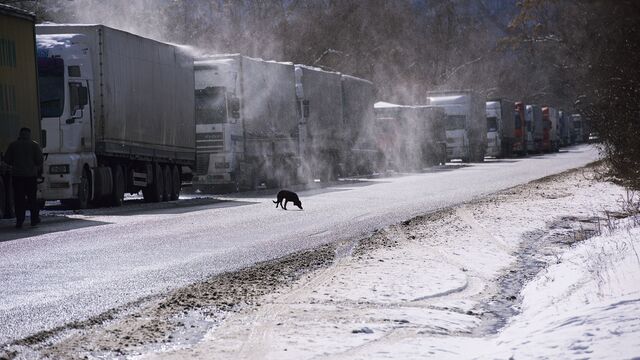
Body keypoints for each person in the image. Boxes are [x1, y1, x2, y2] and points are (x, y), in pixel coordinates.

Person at [4, 128, 44, 228]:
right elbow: (39, 160)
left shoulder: (13, 145)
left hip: (17, 176)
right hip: (31, 176)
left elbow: (7, 160)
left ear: (20, 134)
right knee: (32, 199)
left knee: (19, 199)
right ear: (29, 134)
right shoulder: (34, 145)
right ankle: (34, 219)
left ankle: (19, 220)